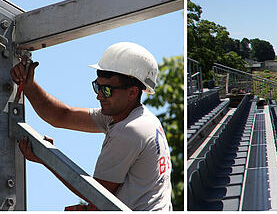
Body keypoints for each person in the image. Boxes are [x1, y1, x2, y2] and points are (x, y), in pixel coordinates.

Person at [10, 42, 172, 210]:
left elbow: (96, 193)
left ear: (132, 92)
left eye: (107, 90)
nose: (99, 96)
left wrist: (48, 159)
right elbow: (61, 116)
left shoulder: (131, 130)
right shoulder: (133, 118)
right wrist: (29, 85)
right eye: (98, 87)